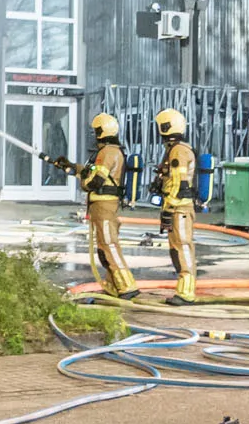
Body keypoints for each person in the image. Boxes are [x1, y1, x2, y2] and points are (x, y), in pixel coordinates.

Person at [73, 113, 138, 298]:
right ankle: (112, 286)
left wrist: (83, 181)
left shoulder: (107, 152)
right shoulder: (111, 151)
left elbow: (96, 181)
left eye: (95, 131)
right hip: (103, 205)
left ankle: (127, 286)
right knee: (104, 248)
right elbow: (95, 172)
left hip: (104, 205)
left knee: (109, 245)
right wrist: (74, 168)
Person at [152, 108, 199, 305]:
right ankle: (183, 289)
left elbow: (179, 183)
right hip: (176, 207)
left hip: (179, 208)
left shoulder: (178, 150)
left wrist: (168, 209)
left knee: (182, 248)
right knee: (177, 248)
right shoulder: (174, 149)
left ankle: (187, 292)